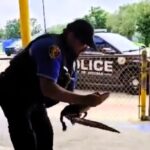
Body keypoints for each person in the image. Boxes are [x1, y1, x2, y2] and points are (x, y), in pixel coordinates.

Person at [0, 19, 109, 150]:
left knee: (45, 135)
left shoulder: (70, 58)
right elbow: (49, 89)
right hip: (12, 93)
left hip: (34, 96)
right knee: (25, 137)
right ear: (71, 35)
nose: (85, 47)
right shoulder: (52, 48)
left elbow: (67, 90)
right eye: (83, 42)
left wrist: (77, 107)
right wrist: (84, 99)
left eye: (87, 45)